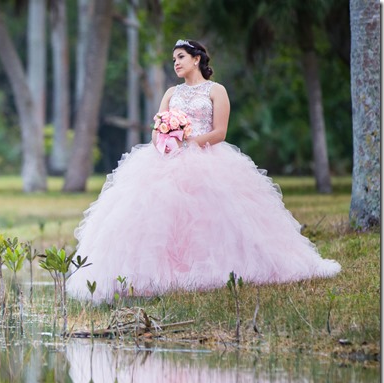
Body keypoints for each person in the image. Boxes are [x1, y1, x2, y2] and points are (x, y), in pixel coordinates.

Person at [65, 39, 341, 303]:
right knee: (155, 214)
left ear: (197, 59)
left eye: (181, 57)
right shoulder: (171, 93)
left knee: (211, 216)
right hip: (166, 158)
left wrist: (188, 144)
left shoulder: (215, 90)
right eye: (173, 59)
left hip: (207, 156)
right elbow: (157, 128)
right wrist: (166, 143)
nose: (175, 63)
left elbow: (220, 132)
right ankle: (154, 277)